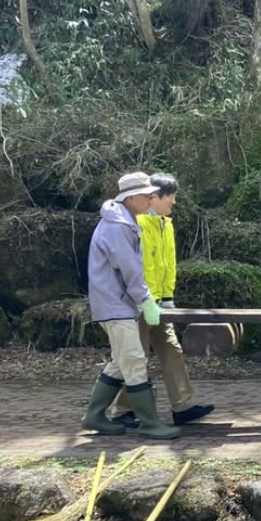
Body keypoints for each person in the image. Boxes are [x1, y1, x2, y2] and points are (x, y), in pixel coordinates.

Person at [80, 171, 180, 440]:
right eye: (147, 196)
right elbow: (131, 271)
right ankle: (149, 422)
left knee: (119, 362)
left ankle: (94, 415)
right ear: (131, 197)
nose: (152, 199)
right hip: (116, 305)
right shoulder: (118, 226)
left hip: (118, 304)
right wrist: (147, 301)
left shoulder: (124, 221)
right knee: (134, 360)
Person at [109, 173, 214, 428]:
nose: (174, 202)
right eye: (171, 196)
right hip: (137, 303)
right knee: (137, 355)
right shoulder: (136, 224)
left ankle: (183, 406)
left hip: (158, 304)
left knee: (171, 349)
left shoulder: (166, 225)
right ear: (153, 197)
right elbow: (134, 268)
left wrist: (167, 298)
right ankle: (120, 411)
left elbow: (168, 265)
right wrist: (143, 300)